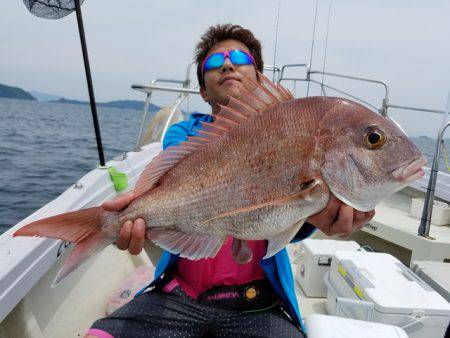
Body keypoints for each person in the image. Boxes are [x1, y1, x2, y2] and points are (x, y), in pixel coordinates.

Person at [85, 24, 375, 338]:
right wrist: (131, 215)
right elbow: (172, 193)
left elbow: (286, 223)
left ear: (260, 78)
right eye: (213, 62)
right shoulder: (183, 136)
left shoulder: (292, 137)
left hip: (259, 302)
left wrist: (318, 218)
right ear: (203, 92)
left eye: (239, 56)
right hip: (178, 294)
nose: (226, 64)